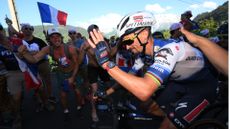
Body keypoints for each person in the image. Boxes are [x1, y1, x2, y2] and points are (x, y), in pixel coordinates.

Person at [87, 11, 218, 129]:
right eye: (123, 43)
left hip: (201, 87)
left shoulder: (168, 50)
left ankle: (179, 120)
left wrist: (106, 63)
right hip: (179, 84)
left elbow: (144, 91)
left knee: (166, 125)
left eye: (128, 41)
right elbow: (127, 78)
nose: (126, 48)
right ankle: (176, 118)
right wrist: (106, 93)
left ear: (144, 34)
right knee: (146, 105)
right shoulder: (142, 55)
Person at [18, 28, 80, 118]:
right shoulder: (47, 49)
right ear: (49, 39)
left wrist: (73, 77)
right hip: (61, 73)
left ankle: (79, 108)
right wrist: (24, 53)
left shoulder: (70, 49)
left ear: (61, 38)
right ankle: (66, 111)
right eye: (52, 37)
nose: (56, 39)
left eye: (58, 36)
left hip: (74, 72)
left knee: (78, 92)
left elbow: (76, 63)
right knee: (63, 94)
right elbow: (34, 59)